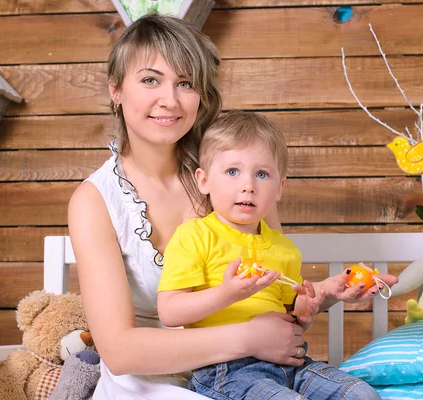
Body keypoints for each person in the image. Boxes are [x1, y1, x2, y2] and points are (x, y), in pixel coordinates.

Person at [68, 14, 397, 399]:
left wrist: (325, 294)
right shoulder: (94, 201)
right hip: (150, 386)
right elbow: (120, 352)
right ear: (116, 89)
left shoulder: (235, 177)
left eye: (186, 83)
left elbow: (273, 299)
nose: (169, 100)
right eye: (150, 80)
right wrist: (247, 338)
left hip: (257, 374)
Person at [157, 111, 383, 399]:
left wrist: (313, 303)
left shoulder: (283, 248)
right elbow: (170, 311)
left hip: (291, 364)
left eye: (261, 174)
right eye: (232, 171)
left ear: (279, 188)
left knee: (360, 394)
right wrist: (228, 293)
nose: (248, 185)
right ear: (204, 181)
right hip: (225, 369)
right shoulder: (194, 236)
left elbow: (291, 316)